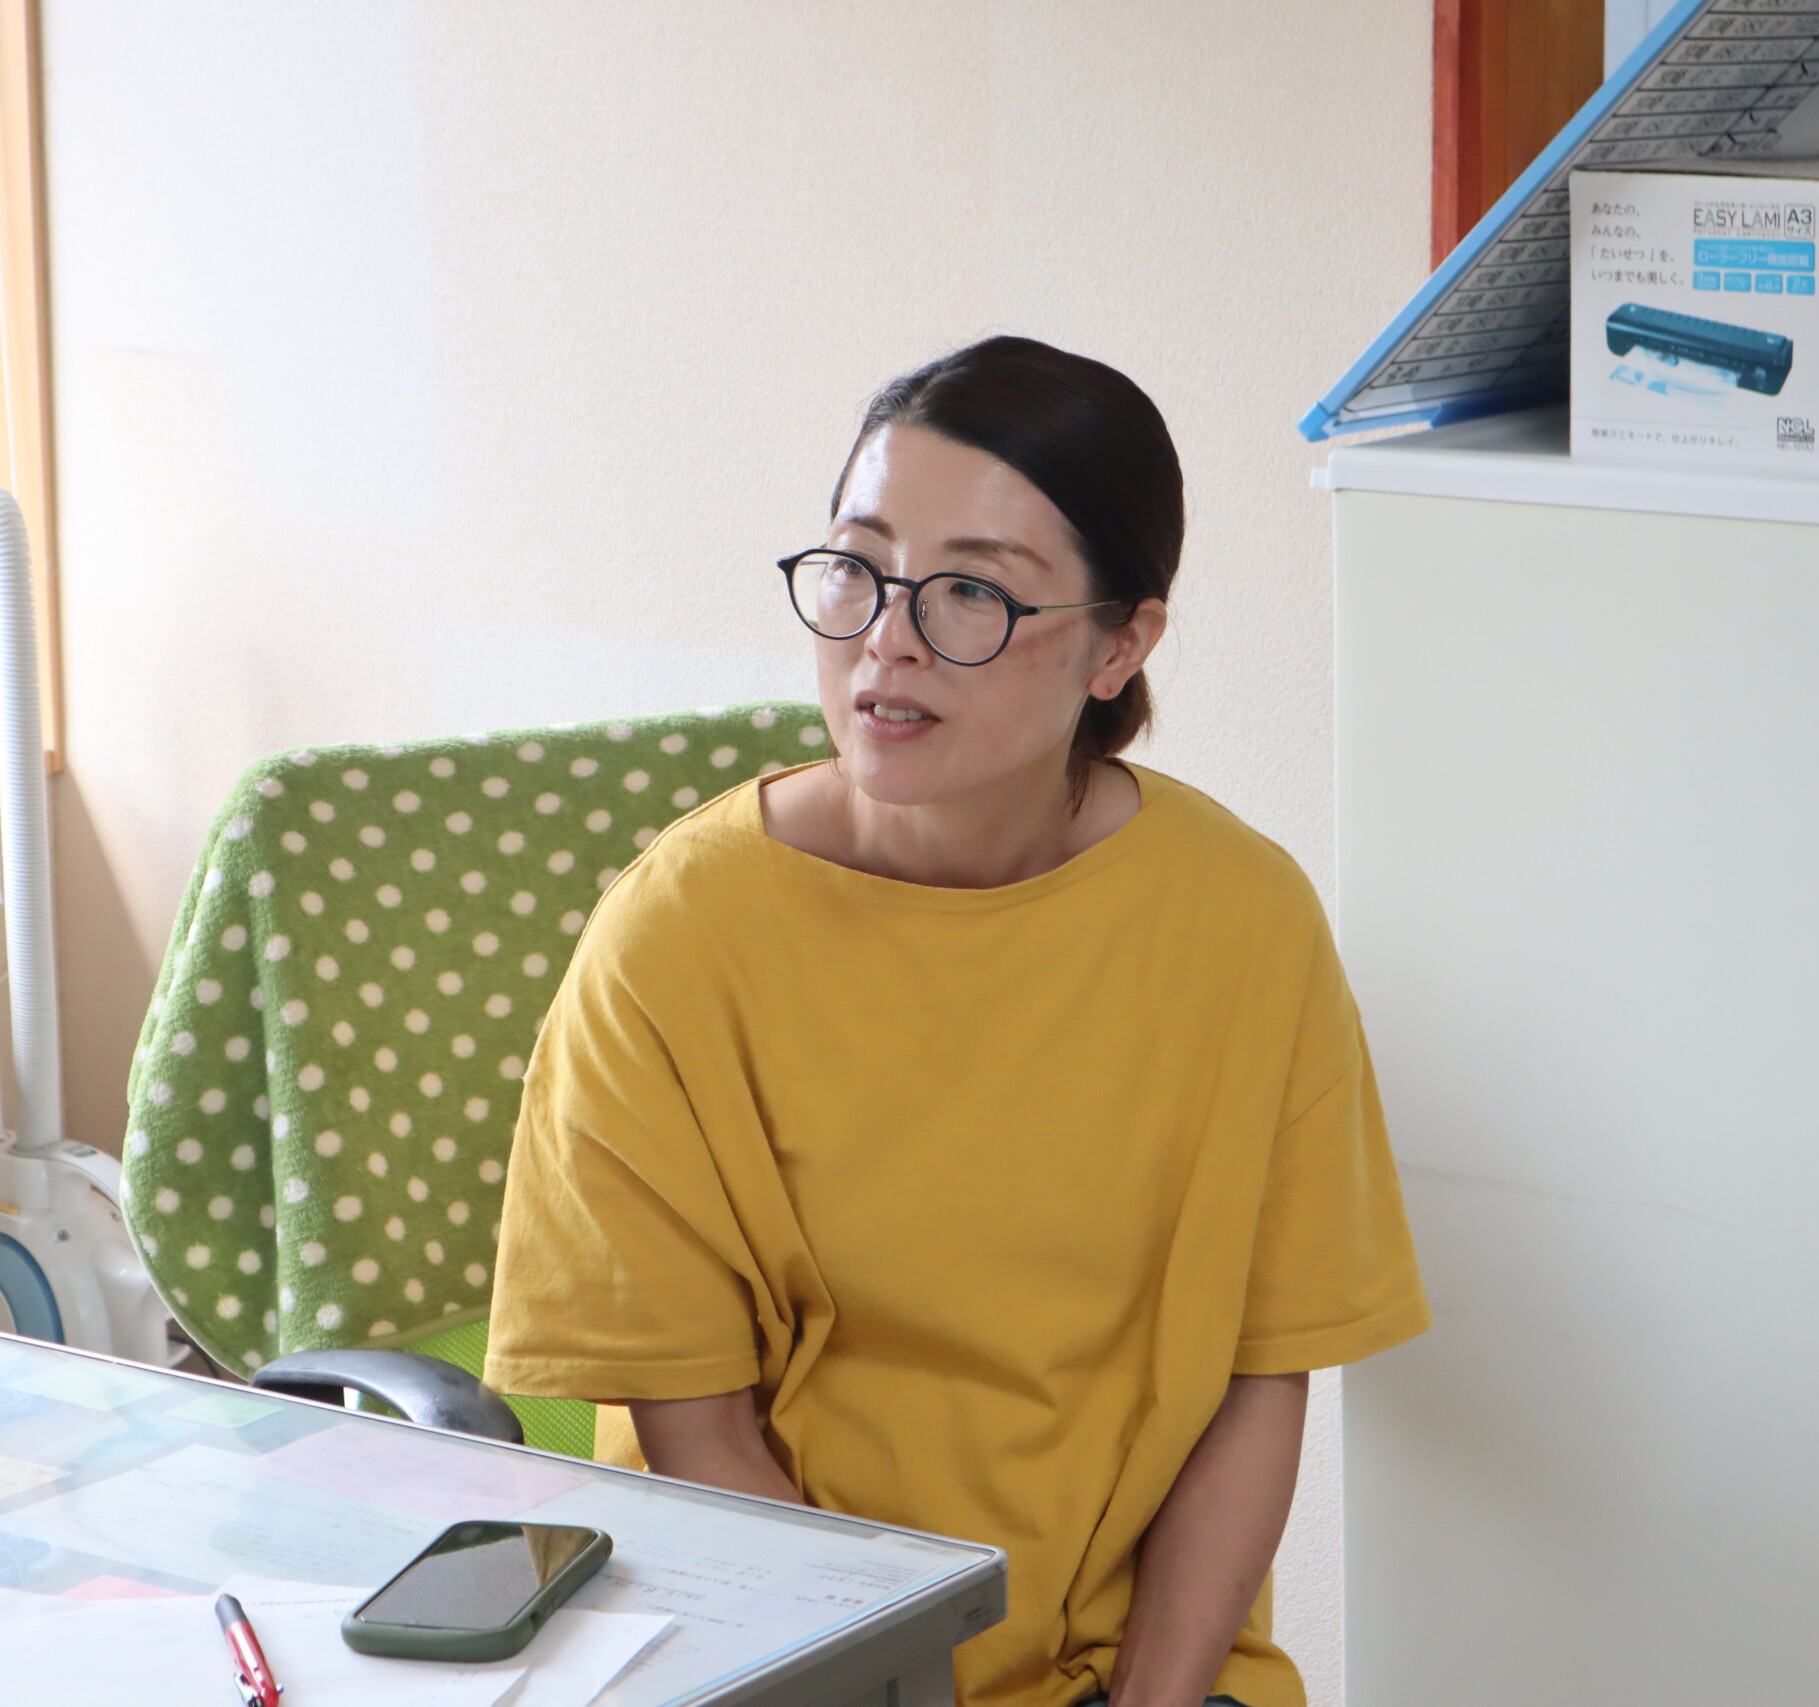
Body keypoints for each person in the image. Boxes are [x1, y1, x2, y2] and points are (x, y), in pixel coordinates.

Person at [485, 335, 1428, 1707]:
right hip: (781, 1657)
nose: (888, 638)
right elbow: (697, 1436)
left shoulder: (1240, 920)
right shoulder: (677, 937)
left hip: (1143, 1672)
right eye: (858, 568)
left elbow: (1258, 1380)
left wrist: (1154, 1700)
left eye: (973, 592)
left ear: (1121, 644)